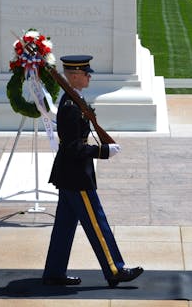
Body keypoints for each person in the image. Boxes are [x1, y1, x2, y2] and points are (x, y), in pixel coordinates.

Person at [42, 55, 143, 288]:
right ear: (74, 76)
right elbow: (71, 147)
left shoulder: (75, 99)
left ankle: (54, 272)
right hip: (77, 177)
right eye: (86, 73)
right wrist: (102, 151)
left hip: (69, 175)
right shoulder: (69, 107)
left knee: (64, 227)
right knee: (97, 223)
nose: (89, 77)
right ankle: (115, 269)